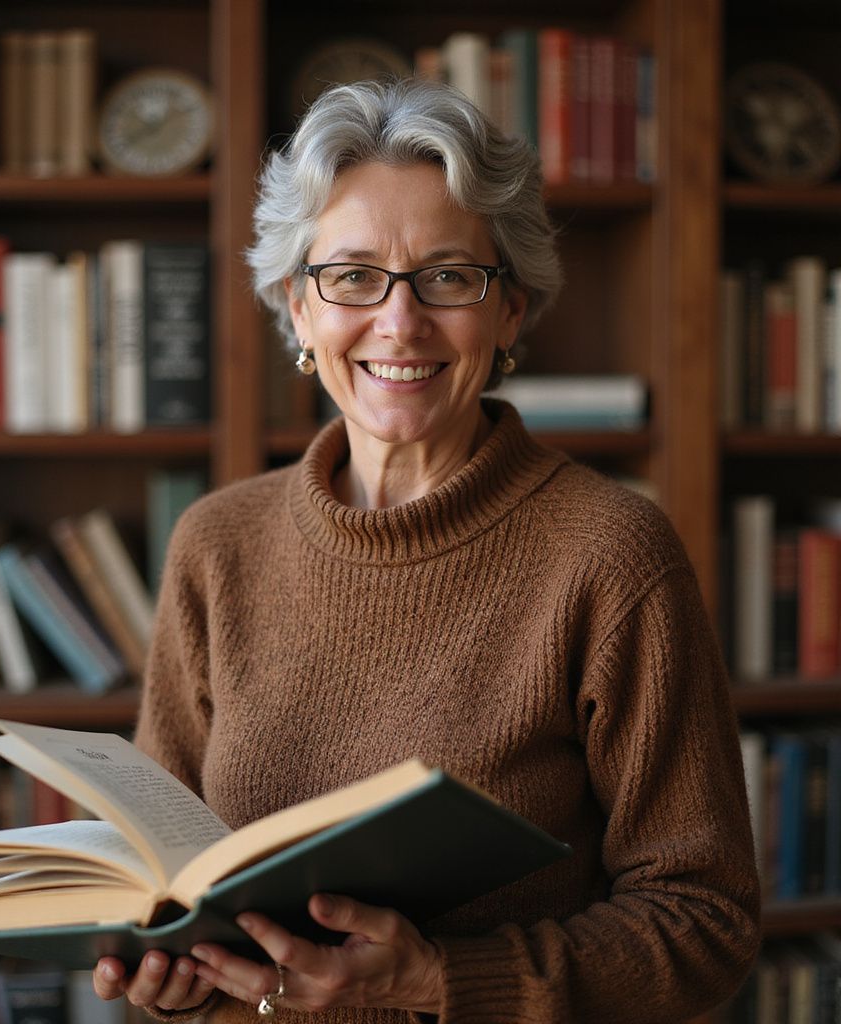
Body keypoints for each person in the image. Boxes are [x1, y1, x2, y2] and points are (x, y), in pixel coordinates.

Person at [93, 78, 760, 1023]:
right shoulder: (217, 542)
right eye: (353, 275)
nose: (398, 323)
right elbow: (168, 873)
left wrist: (435, 979)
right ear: (298, 308)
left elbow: (706, 923)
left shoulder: (611, 555)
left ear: (511, 312)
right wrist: (169, 980)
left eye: (448, 276)